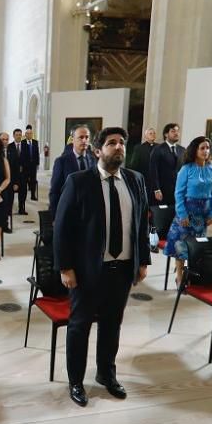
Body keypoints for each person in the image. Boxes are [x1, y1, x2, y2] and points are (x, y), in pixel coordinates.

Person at [54, 127, 149, 407]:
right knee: (80, 326)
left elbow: (141, 223)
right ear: (98, 150)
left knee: (112, 325)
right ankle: (76, 381)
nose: (118, 147)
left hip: (121, 269)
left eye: (121, 143)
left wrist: (142, 259)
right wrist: (65, 267)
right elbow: (62, 227)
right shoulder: (79, 181)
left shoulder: (135, 180)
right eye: (111, 143)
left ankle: (106, 375)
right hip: (86, 270)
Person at [164, 136, 212, 286]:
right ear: (195, 150)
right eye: (202, 148)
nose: (205, 151)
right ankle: (180, 275)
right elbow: (179, 193)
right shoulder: (186, 169)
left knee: (197, 246)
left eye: (207, 148)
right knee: (182, 245)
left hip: (203, 214)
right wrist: (182, 214)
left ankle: (193, 273)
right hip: (187, 211)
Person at [49, 125, 94, 214]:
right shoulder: (61, 162)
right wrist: (55, 216)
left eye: (87, 137)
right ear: (72, 139)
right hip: (69, 210)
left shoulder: (93, 160)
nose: (84, 140)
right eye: (81, 137)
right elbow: (55, 191)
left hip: (89, 211)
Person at [147, 123, 184, 206]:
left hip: (178, 191)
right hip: (162, 190)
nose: (176, 133)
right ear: (166, 134)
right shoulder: (158, 149)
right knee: (162, 215)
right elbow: (153, 170)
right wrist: (156, 189)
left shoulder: (182, 150)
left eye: (178, 131)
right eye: (173, 131)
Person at [129, 127, 157, 202]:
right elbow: (134, 164)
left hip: (156, 180)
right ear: (146, 136)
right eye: (150, 133)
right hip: (144, 177)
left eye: (154, 133)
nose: (153, 135)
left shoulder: (159, 147)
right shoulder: (139, 148)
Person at [11, 128, 31, 215]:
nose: (18, 136)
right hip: (13, 175)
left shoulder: (26, 146)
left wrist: (27, 172)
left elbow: (28, 160)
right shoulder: (10, 147)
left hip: (23, 174)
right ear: (13, 136)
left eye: (20, 135)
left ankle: (21, 208)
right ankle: (9, 209)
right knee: (11, 193)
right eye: (17, 135)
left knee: (23, 192)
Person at [0, 131, 17, 231]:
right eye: (3, 139)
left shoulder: (12, 150)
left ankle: (5, 224)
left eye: (7, 139)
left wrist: (16, 183)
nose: (5, 141)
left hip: (10, 183)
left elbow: (15, 169)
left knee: (8, 204)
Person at [23, 125, 40, 201]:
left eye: (30, 133)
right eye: (28, 133)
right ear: (25, 134)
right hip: (25, 165)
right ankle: (24, 196)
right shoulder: (22, 143)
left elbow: (37, 153)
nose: (29, 135)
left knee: (33, 180)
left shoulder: (35, 142)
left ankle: (33, 195)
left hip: (33, 165)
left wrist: (37, 163)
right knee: (25, 181)